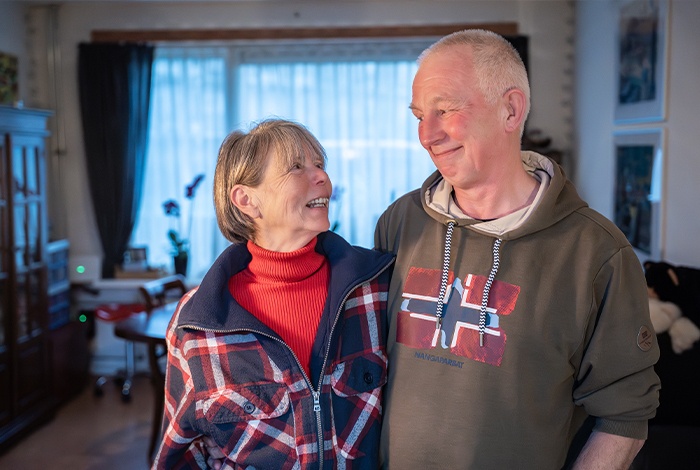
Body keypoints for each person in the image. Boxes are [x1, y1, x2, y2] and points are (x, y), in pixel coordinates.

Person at [372, 29, 660, 469]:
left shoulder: (596, 254)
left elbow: (624, 416)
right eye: (419, 116)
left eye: (445, 110)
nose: (426, 135)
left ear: (511, 110)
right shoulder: (400, 222)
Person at [152, 119, 394, 469]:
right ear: (247, 200)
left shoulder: (376, 289)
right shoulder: (198, 325)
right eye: (296, 167)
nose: (322, 176)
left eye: (319, 164)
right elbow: (183, 452)